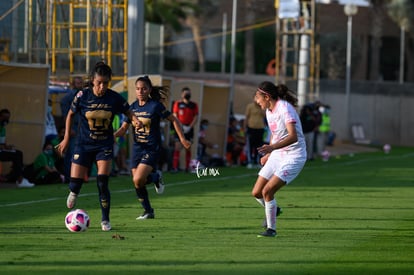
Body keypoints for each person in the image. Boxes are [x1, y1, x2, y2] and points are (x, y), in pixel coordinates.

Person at [56, 62, 140, 231]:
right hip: (83, 144)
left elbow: (129, 111)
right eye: (99, 82)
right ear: (92, 80)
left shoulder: (114, 97)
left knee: (102, 183)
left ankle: (105, 220)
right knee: (75, 184)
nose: (102, 86)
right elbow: (70, 115)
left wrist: (134, 120)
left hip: (104, 145)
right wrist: (66, 138)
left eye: (106, 83)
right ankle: (74, 192)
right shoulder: (82, 96)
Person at [114, 76, 191, 220]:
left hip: (151, 148)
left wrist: (183, 139)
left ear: (149, 90)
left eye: (143, 88)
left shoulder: (155, 106)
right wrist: (113, 135)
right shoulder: (132, 107)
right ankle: (149, 210)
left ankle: (156, 178)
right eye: (137, 89)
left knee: (138, 179)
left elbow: (173, 119)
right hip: (137, 149)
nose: (140, 91)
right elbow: (124, 128)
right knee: (138, 182)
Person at [251, 82, 306, 237]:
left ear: (267, 97)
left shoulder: (284, 108)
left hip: (294, 156)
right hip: (277, 154)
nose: (257, 101)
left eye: (258, 97)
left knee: (267, 191)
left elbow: (293, 136)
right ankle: (275, 209)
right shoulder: (269, 110)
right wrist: (270, 154)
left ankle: (271, 229)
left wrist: (272, 149)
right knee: (256, 192)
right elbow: (276, 134)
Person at [0, 109, 35, 188]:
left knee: (18, 153)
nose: (6, 120)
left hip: (1, 150)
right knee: (16, 155)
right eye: (4, 117)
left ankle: (14, 176)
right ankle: (19, 179)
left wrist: (7, 147)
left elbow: (2, 143)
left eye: (8, 118)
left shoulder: (2, 128)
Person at [60, 76, 84, 183]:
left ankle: (77, 176)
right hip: (73, 127)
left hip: (81, 128)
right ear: (73, 84)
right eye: (77, 83)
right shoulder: (69, 97)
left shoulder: (83, 95)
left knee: (79, 153)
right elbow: (66, 114)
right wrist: (68, 129)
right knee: (72, 153)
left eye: (80, 82)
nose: (79, 84)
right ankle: (69, 176)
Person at [172, 87, 198, 172]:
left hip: (189, 129)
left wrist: (189, 127)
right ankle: (175, 167)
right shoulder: (178, 104)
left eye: (188, 93)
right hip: (179, 127)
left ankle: (187, 167)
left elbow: (196, 117)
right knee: (177, 147)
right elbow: (175, 115)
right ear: (182, 94)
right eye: (186, 93)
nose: (187, 95)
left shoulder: (194, 105)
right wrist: (181, 126)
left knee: (188, 147)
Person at [244, 98, 266, 168]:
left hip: (260, 128)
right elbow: (246, 117)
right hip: (251, 128)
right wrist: (244, 127)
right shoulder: (250, 106)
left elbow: (265, 116)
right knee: (250, 145)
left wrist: (261, 108)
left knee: (259, 146)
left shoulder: (262, 107)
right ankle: (250, 161)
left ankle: (257, 161)